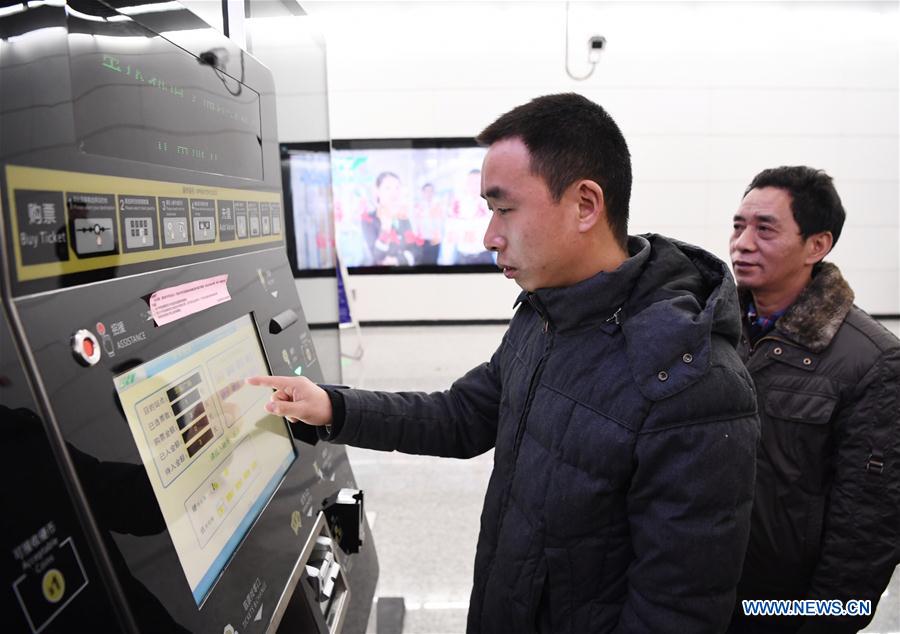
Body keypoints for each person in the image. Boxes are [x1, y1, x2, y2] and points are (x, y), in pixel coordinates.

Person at [249, 93, 760, 633]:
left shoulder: (692, 382)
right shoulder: (548, 312)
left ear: (586, 205)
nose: (489, 237)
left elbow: (676, 613)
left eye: (504, 208)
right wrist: (331, 406)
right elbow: (464, 415)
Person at [726, 166, 900, 633]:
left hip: (778, 610)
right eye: (738, 226)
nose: (742, 243)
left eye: (765, 229)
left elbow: (866, 530)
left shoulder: (873, 361)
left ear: (817, 245)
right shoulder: (713, 334)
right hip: (701, 592)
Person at [360, 171, 422, 266]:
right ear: (377, 191)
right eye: (388, 188)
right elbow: (377, 257)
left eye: (397, 188)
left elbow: (416, 250)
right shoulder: (368, 219)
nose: (394, 193)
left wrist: (398, 260)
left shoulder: (403, 218)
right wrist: (386, 227)